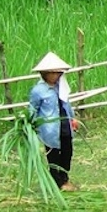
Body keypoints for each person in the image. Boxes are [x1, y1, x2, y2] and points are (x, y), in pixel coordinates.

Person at [28, 52, 80, 192]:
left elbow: (66, 104)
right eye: (53, 73)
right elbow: (32, 109)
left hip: (64, 125)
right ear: (45, 73)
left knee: (67, 152)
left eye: (58, 73)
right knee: (53, 156)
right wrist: (30, 126)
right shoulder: (38, 91)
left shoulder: (60, 87)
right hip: (50, 129)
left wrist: (73, 118)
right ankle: (58, 182)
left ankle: (64, 177)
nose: (56, 75)